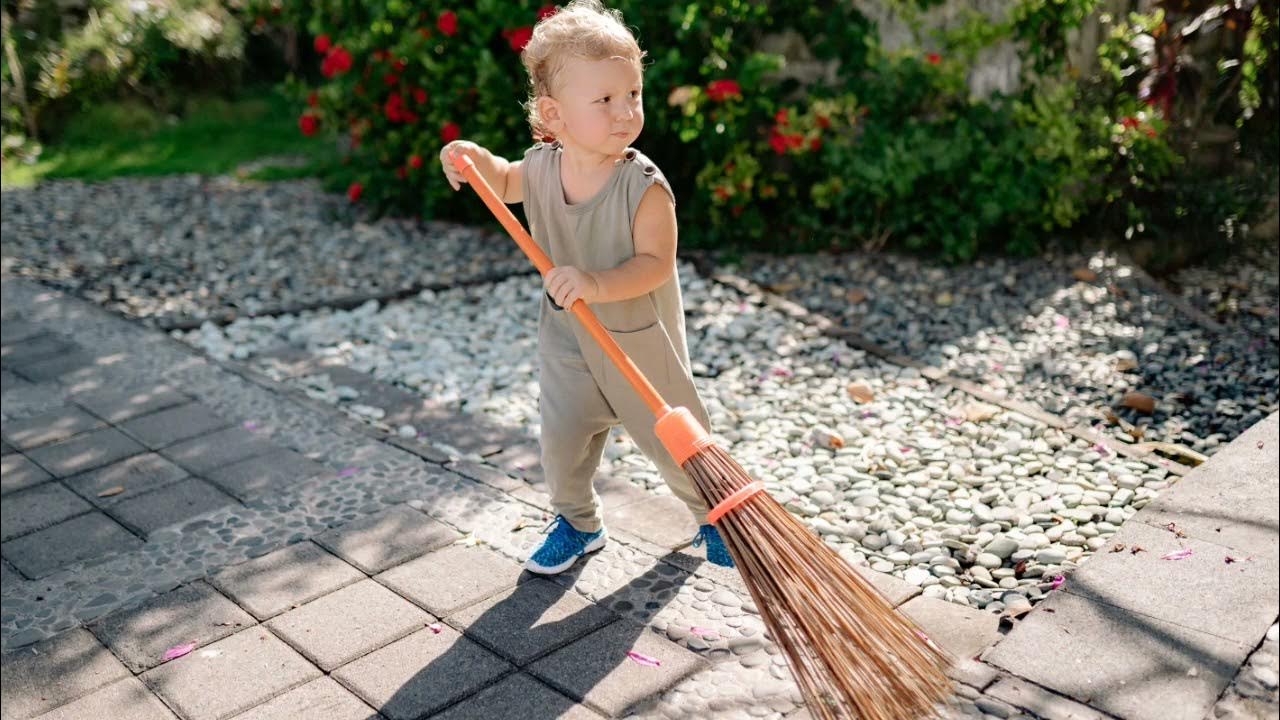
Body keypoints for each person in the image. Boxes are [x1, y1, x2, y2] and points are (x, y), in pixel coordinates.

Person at [439, 0, 733, 575]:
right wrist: (472, 159)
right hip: (570, 337)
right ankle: (577, 522)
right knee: (563, 441)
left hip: (638, 341)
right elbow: (501, 180)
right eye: (604, 100)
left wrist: (595, 282)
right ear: (554, 114)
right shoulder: (543, 167)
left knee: (675, 438)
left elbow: (654, 262)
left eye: (633, 95)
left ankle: (714, 514)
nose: (625, 112)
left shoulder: (644, 186)